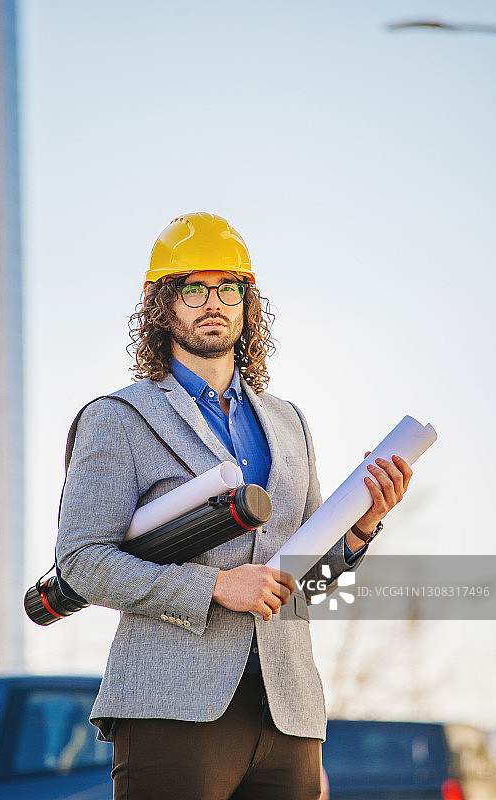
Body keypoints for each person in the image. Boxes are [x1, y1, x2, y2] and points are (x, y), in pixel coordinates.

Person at [55, 212, 413, 800]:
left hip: (288, 714)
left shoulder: (289, 422)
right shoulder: (116, 418)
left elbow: (307, 585)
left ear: (248, 304)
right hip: (172, 710)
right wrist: (216, 588)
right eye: (192, 288)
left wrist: (361, 529)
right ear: (161, 305)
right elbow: (82, 562)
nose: (211, 301)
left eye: (228, 288)